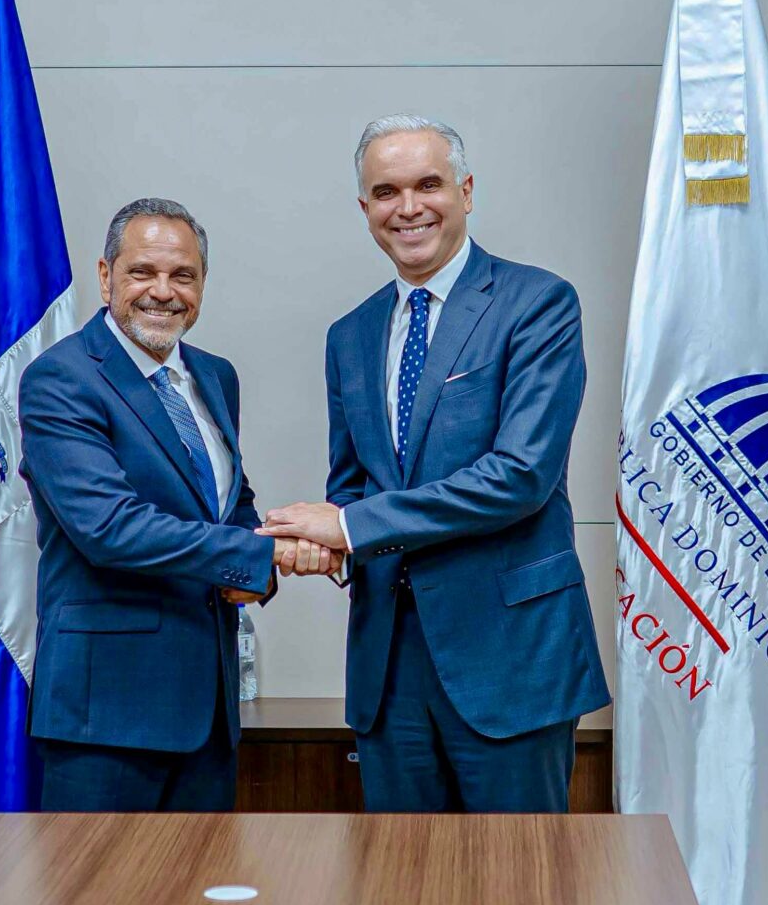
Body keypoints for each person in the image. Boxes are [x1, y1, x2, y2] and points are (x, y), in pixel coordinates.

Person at [261, 117, 610, 813]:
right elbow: (351, 487)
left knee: (518, 873)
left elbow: (520, 477)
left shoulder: (537, 304)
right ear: (365, 209)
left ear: (466, 191)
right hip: (389, 671)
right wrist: (323, 547)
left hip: (511, 660)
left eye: (428, 184)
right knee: (400, 877)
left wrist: (347, 529)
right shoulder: (349, 335)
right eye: (386, 192)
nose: (409, 207)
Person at [20, 197, 337, 812]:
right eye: (142, 272)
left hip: (208, 710)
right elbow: (109, 528)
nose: (163, 292)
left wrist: (260, 558)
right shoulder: (62, 379)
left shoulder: (215, 376)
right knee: (97, 880)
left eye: (183, 275)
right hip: (106, 716)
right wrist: (265, 554)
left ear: (202, 284)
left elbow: (229, 503)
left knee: (204, 875)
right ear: (106, 275)